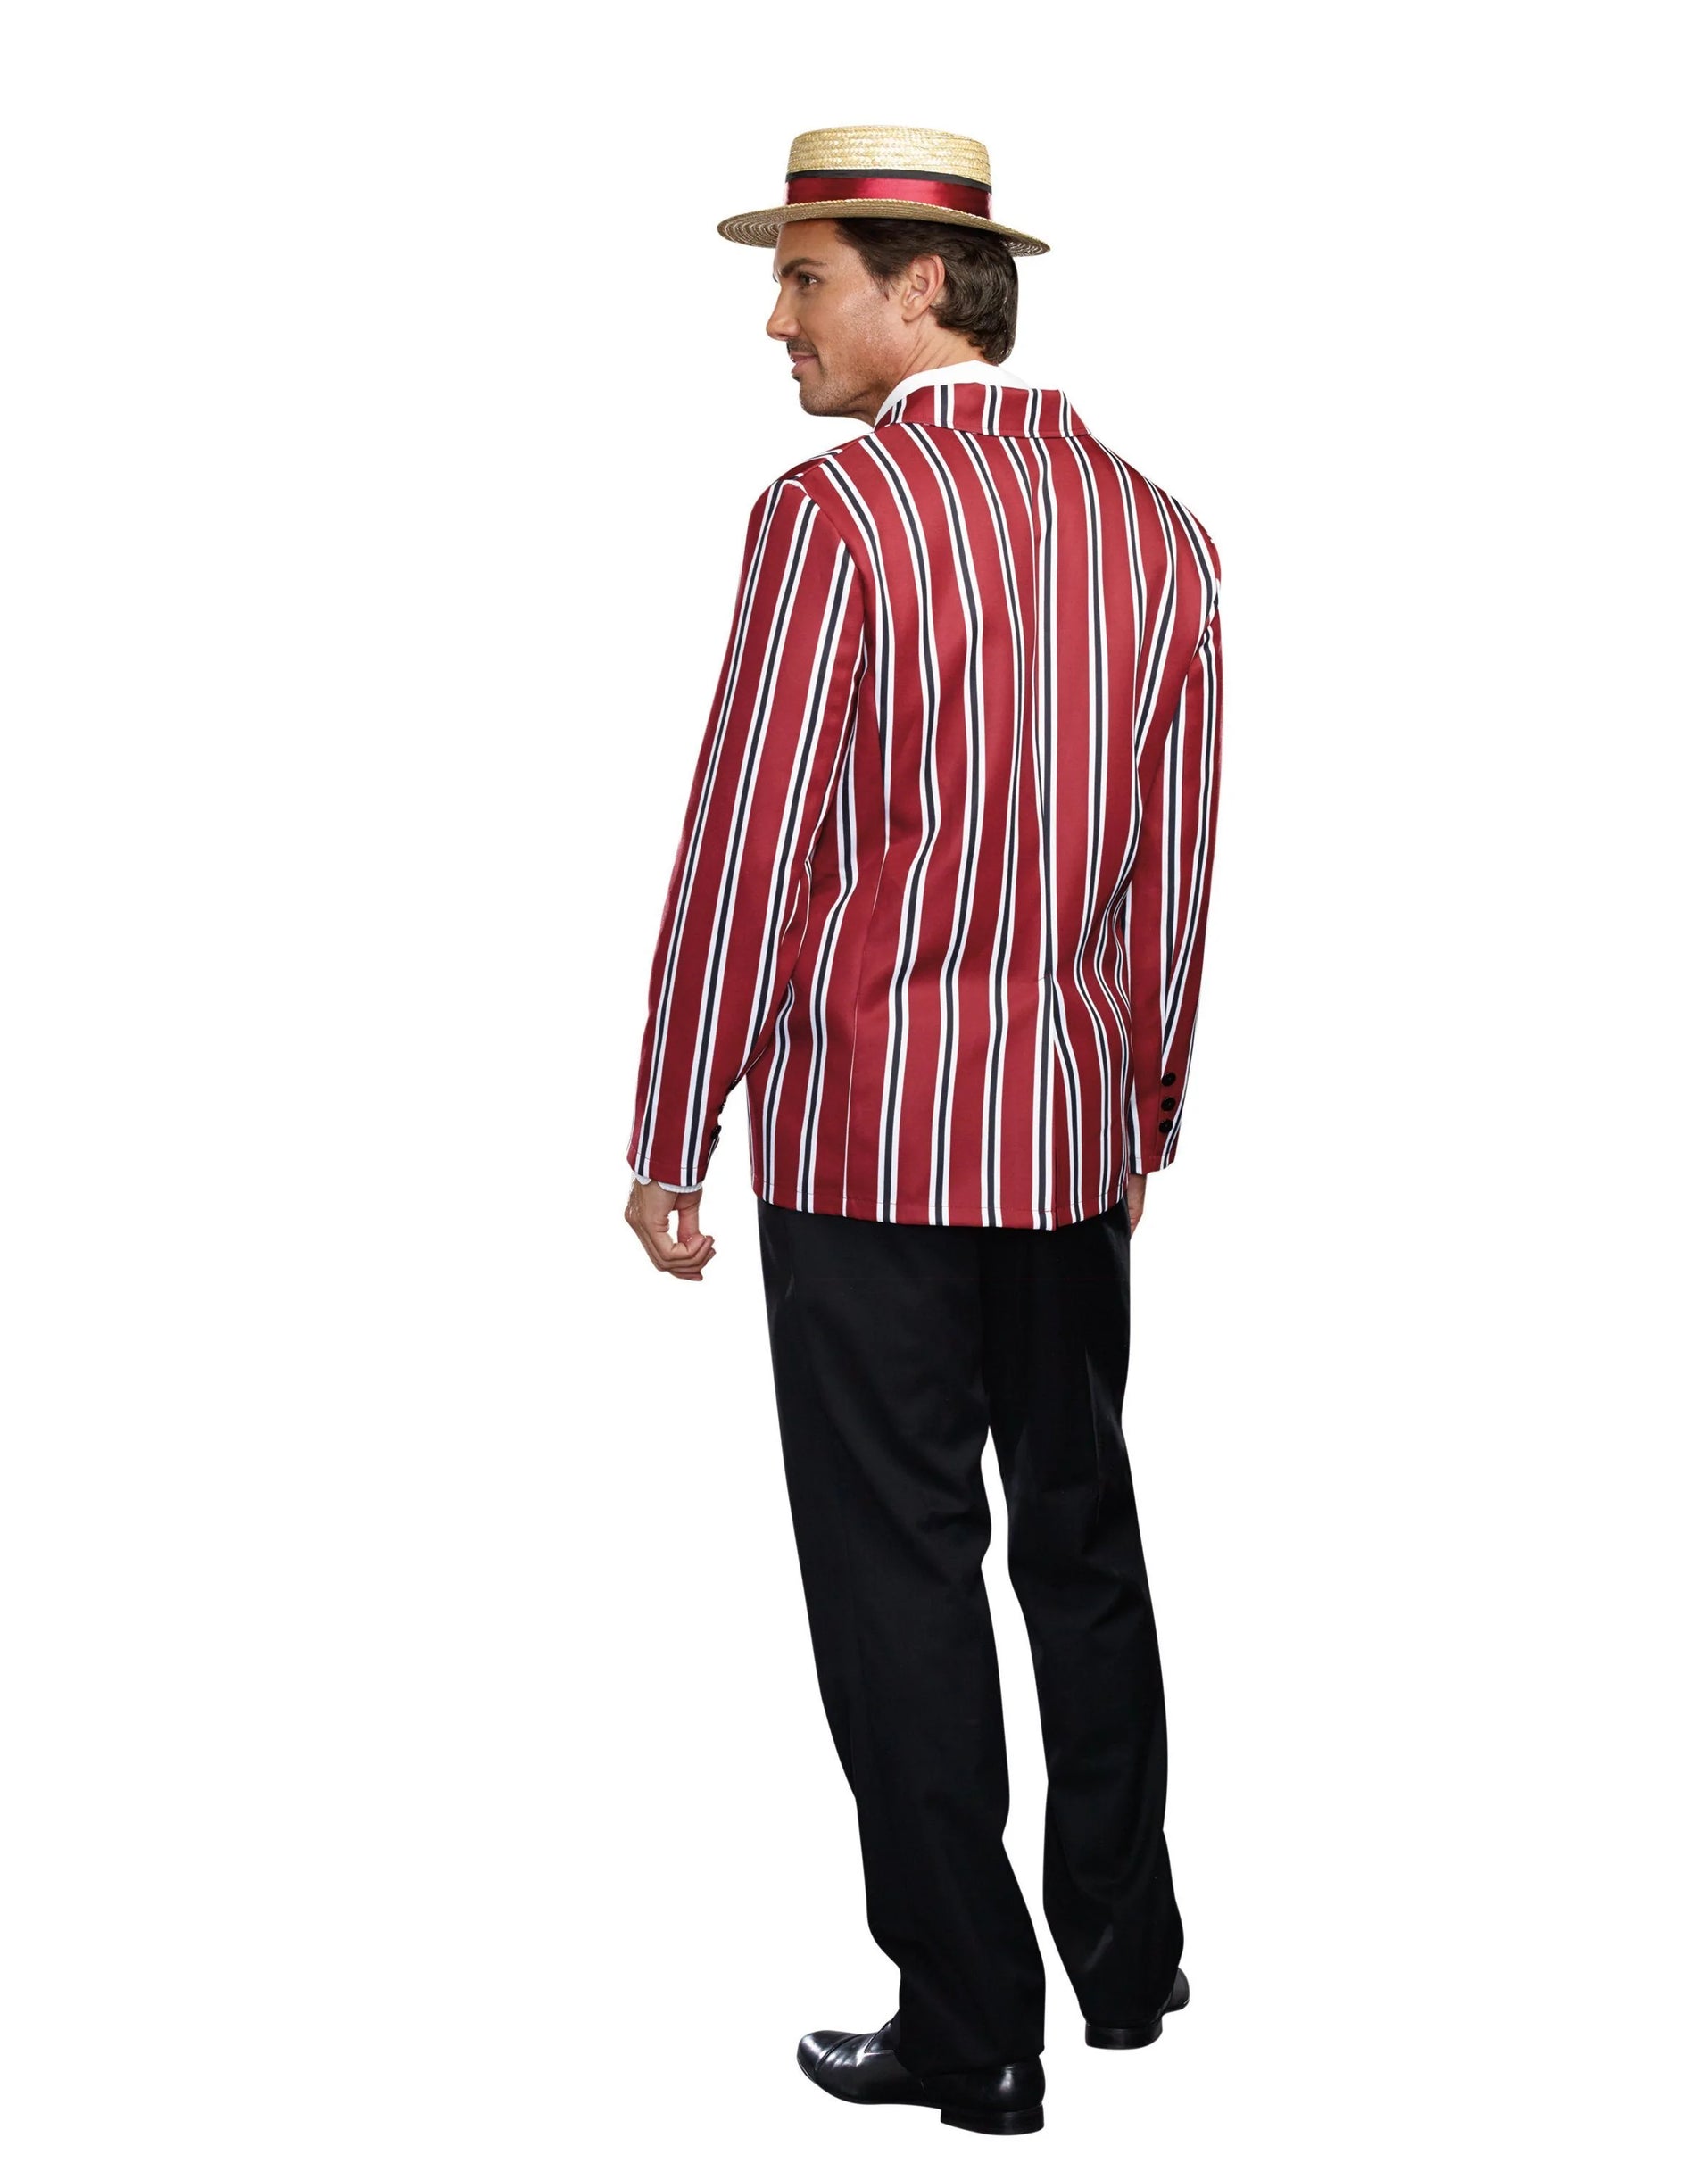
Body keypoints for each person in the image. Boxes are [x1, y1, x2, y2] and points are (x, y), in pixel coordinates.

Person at [621, 124, 1223, 2138]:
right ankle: (1126, 1963)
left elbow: (746, 839)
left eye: (802, 277)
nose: (774, 321)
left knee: (897, 1568)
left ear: (921, 287)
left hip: (869, 1148)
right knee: (1082, 1541)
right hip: (1066, 1139)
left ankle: (972, 2026)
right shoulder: (1160, 536)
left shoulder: (833, 520)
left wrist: (668, 1120)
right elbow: (1170, 872)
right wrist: (1142, 1110)